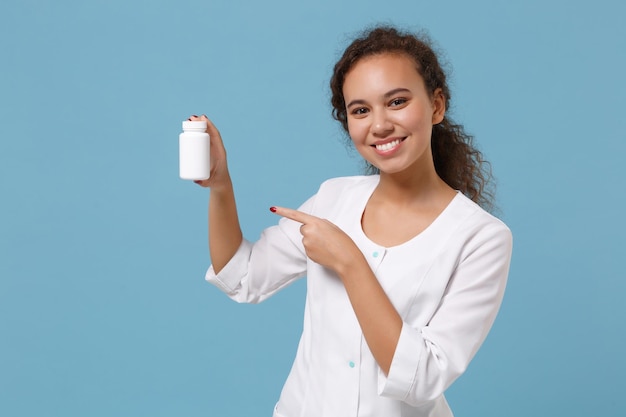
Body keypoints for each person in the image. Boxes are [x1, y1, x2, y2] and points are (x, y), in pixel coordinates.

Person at [191, 25, 513, 417]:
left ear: (437, 106)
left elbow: (424, 377)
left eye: (396, 101)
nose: (379, 125)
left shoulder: (481, 238)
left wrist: (349, 261)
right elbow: (242, 276)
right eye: (360, 110)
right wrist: (221, 185)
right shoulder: (333, 199)